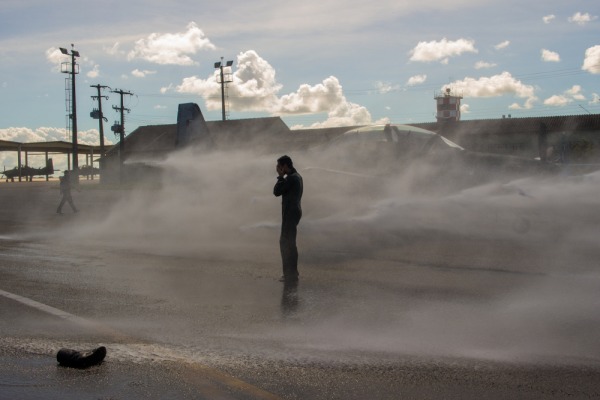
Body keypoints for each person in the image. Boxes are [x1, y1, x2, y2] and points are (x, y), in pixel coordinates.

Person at [273, 155, 303, 282]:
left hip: (290, 213)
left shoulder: (290, 179)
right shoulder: (297, 176)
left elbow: (277, 191)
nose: (279, 169)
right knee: (290, 243)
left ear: (285, 166)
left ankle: (289, 274)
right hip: (294, 211)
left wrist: (280, 177)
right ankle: (292, 273)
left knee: (286, 243)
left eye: (280, 167)